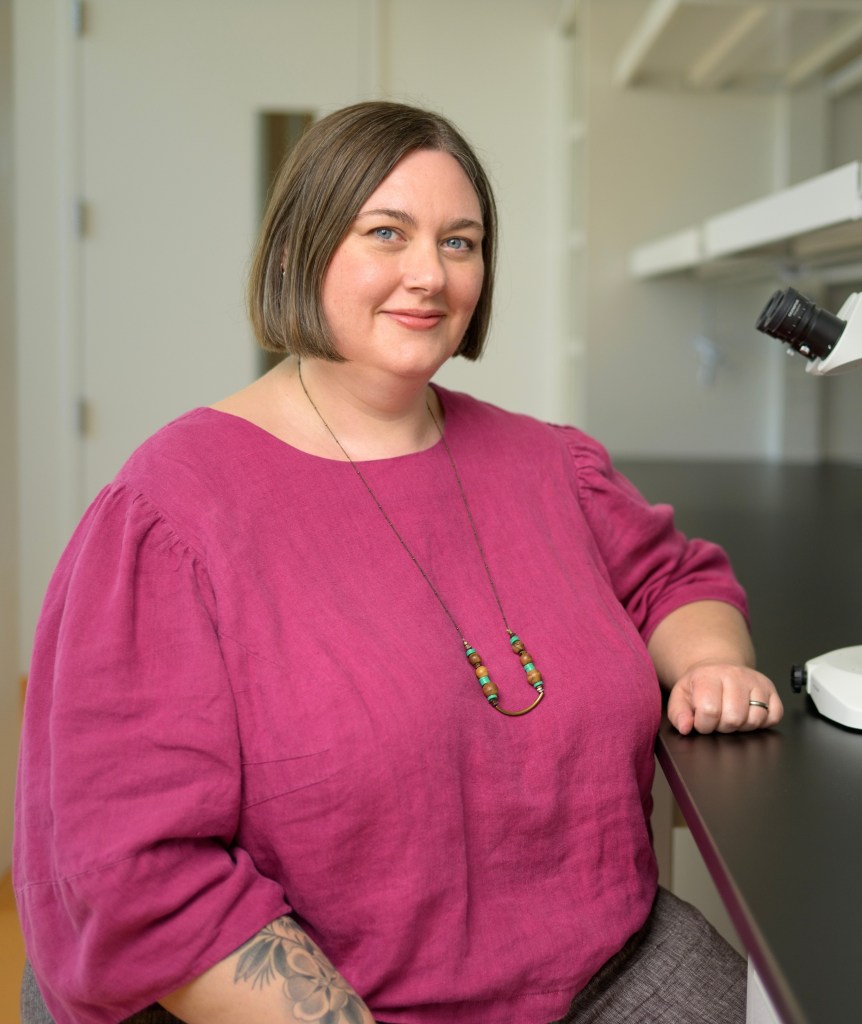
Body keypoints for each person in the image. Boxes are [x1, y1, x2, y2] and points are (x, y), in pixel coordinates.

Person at [14, 101, 783, 1024]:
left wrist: (710, 663)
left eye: (461, 243)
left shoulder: (551, 464)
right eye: (388, 233)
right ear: (302, 251)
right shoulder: (170, 515)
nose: (430, 274)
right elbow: (137, 875)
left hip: (612, 968)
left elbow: (674, 578)